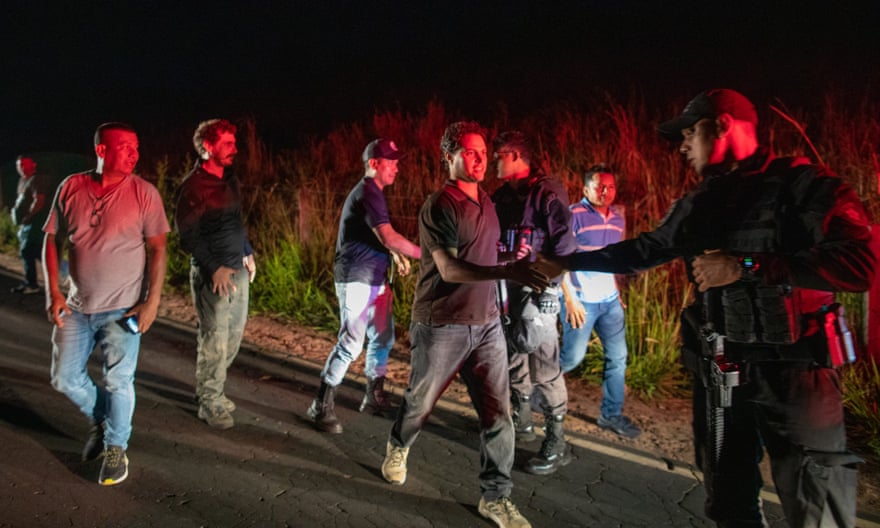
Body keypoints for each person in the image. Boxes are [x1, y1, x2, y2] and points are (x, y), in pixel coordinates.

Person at [547, 89, 875, 527]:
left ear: (721, 125)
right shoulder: (703, 201)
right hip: (723, 375)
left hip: (797, 374)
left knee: (817, 510)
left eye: (690, 133)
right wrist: (566, 260)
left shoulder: (803, 184)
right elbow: (644, 251)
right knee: (728, 503)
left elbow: (860, 265)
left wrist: (745, 266)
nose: (682, 146)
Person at [381, 122, 547, 528]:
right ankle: (399, 445)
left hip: (487, 325)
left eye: (483, 152)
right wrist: (508, 272)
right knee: (420, 403)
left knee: (498, 415)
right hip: (442, 323)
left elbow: (486, 254)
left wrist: (512, 259)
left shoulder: (487, 202)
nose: (479, 160)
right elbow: (451, 269)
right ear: (449, 157)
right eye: (470, 152)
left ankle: (495, 497)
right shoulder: (440, 205)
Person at [43, 122, 169, 486]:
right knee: (64, 378)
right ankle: (104, 419)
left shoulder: (144, 193)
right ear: (101, 151)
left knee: (118, 381)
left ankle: (116, 447)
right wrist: (53, 291)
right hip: (77, 305)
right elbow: (51, 239)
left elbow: (159, 248)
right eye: (126, 146)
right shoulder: (71, 186)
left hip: (122, 308)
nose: (135, 153)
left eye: (137, 147)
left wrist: (151, 302)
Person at [307, 138, 421, 433]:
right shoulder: (368, 191)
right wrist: (427, 254)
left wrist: (395, 256)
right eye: (391, 161)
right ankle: (321, 405)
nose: (397, 166)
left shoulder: (374, 193)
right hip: (356, 278)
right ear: (374, 163)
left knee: (382, 337)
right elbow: (387, 236)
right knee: (352, 342)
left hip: (374, 278)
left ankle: (373, 396)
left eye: (397, 161)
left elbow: (376, 236)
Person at [490, 130, 578, 476]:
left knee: (543, 362)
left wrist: (550, 288)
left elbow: (566, 245)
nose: (493, 162)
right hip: (509, 288)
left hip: (539, 291)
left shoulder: (546, 192)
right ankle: (520, 419)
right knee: (513, 354)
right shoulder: (502, 197)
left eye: (498, 155)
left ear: (514, 156)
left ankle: (557, 440)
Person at [176, 118, 256, 430]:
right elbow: (187, 236)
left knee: (233, 336)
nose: (234, 149)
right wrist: (214, 267)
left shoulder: (229, 179)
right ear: (208, 147)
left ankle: (213, 389)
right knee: (214, 341)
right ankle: (209, 400)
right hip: (214, 275)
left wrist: (247, 251)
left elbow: (236, 220)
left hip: (237, 269)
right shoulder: (193, 186)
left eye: (234, 143)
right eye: (227, 143)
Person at [558, 165, 641, 438]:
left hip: (609, 302)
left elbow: (612, 258)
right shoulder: (573, 215)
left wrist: (616, 290)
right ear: (585, 189)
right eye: (599, 186)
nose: (605, 192)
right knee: (572, 357)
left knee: (618, 357)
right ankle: (536, 390)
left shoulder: (618, 218)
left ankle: (611, 415)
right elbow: (561, 260)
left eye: (610, 186)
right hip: (581, 301)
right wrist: (570, 299)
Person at [10, 155, 50, 294]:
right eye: (19, 165)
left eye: (24, 164)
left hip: (35, 223)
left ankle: (31, 284)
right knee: (36, 252)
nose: (21, 168)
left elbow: (39, 200)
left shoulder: (36, 179)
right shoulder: (23, 181)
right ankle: (32, 283)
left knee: (28, 251)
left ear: (33, 165)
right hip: (26, 224)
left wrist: (28, 217)